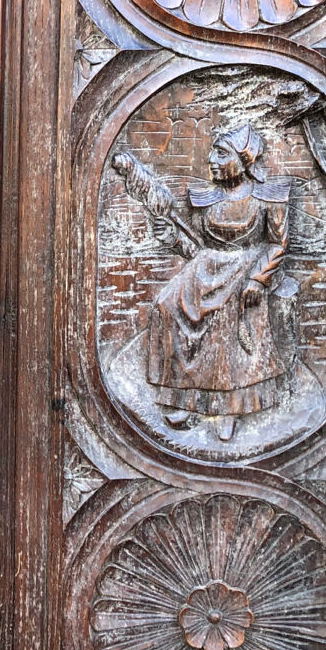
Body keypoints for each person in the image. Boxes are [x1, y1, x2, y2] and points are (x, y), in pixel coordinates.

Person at [112, 123, 291, 442]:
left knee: (224, 320)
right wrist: (169, 233)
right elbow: (193, 246)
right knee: (166, 306)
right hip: (206, 266)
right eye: (212, 153)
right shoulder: (205, 199)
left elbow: (278, 244)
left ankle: (229, 407)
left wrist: (258, 279)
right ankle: (187, 398)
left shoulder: (268, 197)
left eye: (221, 154)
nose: (211, 160)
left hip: (245, 267)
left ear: (244, 160)